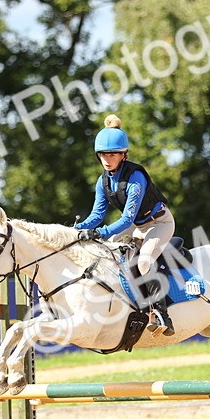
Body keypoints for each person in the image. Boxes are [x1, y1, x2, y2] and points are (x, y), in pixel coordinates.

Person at [74, 114, 177, 335]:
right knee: (106, 251)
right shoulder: (103, 182)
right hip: (138, 225)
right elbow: (96, 215)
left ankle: (161, 314)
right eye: (103, 154)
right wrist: (77, 229)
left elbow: (126, 220)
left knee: (144, 262)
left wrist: (99, 232)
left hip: (159, 222)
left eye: (112, 154)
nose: (107, 158)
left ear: (123, 155)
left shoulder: (135, 177)